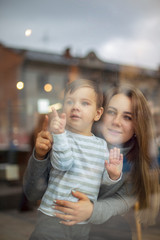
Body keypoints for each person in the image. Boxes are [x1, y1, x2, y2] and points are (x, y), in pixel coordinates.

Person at [23, 83, 160, 240]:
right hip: (52, 223)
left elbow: (119, 202)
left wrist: (91, 211)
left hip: (87, 229)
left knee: (117, 228)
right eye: (111, 112)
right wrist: (40, 156)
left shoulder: (136, 166)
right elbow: (32, 193)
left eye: (127, 117)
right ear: (99, 114)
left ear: (137, 126)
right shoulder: (67, 141)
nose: (116, 121)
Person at [29, 79, 123, 240]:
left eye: (85, 103)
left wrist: (113, 175)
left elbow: (103, 185)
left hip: (81, 220)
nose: (76, 107)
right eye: (70, 101)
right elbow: (62, 164)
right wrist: (59, 135)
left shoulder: (101, 145)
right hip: (53, 215)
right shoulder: (61, 138)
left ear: (98, 113)